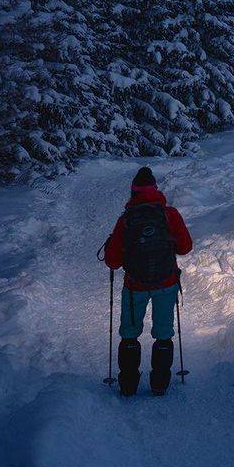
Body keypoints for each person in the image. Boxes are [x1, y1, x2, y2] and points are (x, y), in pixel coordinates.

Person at [103, 167, 193, 395]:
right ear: (155, 190)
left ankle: (128, 385)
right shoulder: (169, 214)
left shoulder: (126, 220)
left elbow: (112, 261)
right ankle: (160, 384)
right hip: (166, 283)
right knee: (164, 332)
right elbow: (185, 247)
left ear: (133, 193)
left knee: (130, 333)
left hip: (135, 286)